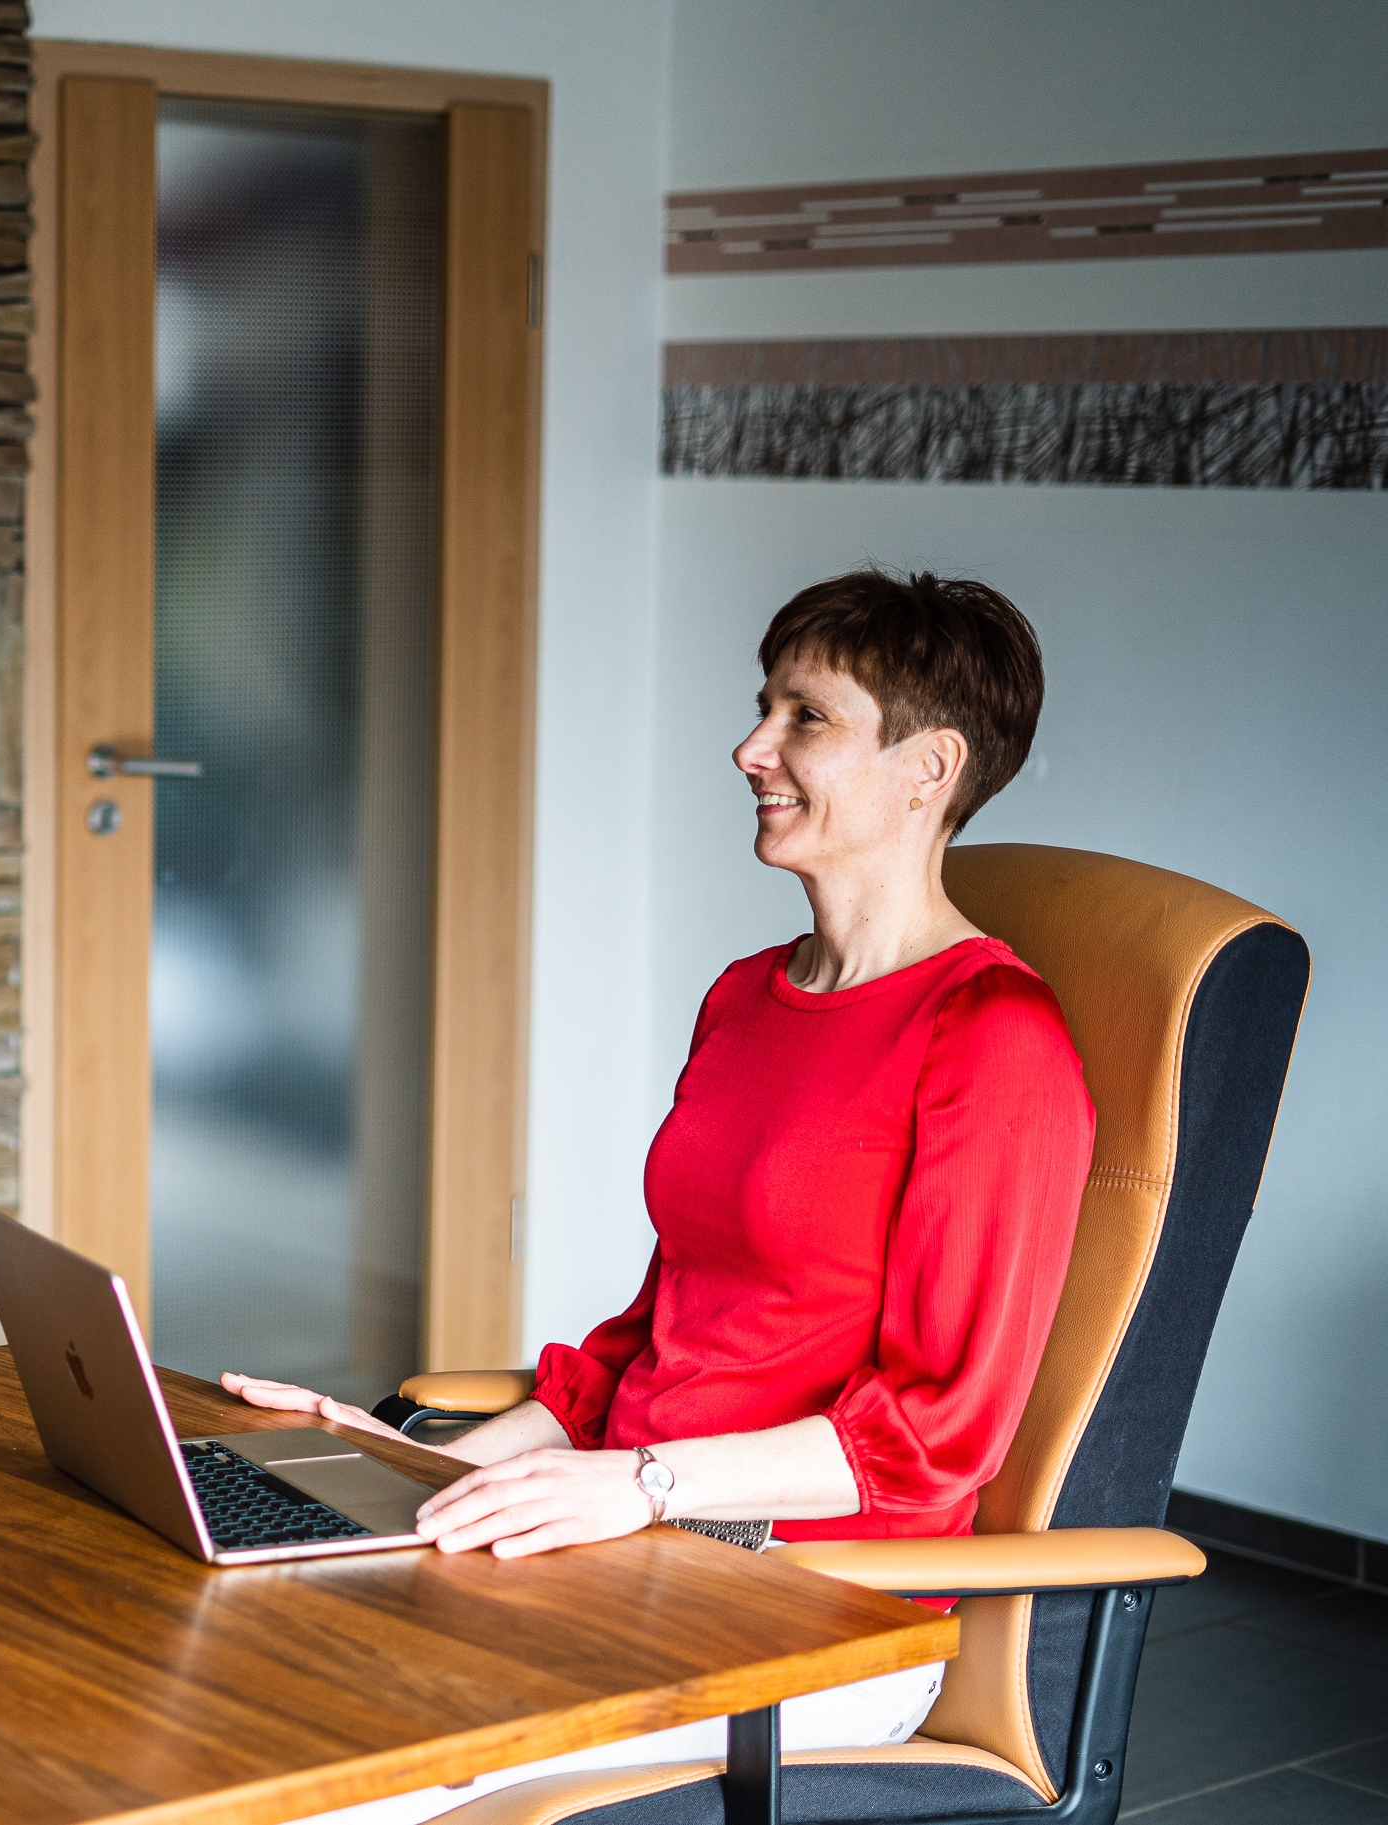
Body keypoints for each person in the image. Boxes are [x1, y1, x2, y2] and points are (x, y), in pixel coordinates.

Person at [225, 570, 1095, 1824]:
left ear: (928, 765)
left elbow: (927, 1445)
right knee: (255, 1676)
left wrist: (641, 1486)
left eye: (806, 718)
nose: (750, 748)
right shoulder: (746, 995)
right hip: (637, 1529)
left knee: (324, 1782)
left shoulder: (989, 1036)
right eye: (762, 708)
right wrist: (393, 1486)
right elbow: (639, 1349)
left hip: (813, 1602)